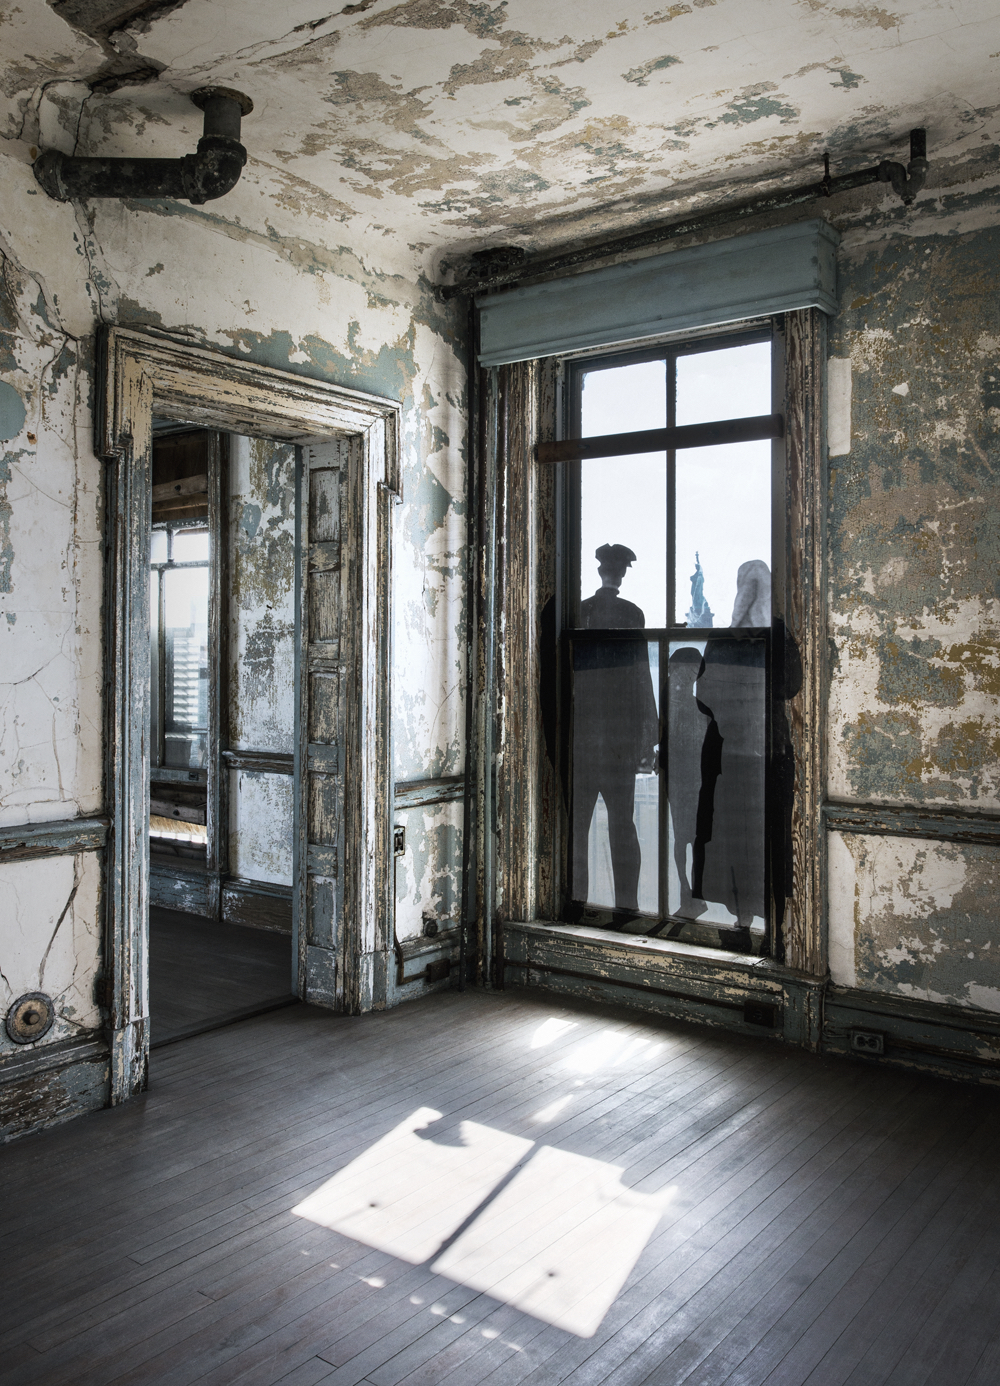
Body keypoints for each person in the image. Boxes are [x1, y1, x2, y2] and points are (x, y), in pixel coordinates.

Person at [571, 543, 659, 923]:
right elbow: (641, 678)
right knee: (623, 826)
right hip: (620, 743)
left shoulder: (581, 612)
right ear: (621, 574)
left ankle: (576, 904)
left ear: (599, 570)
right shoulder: (632, 614)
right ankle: (628, 906)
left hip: (583, 740)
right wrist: (647, 738)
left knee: (578, 829)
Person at [695, 560, 770, 952]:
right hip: (758, 755)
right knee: (756, 836)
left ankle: (743, 917)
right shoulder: (778, 638)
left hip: (729, 755)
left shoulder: (725, 638)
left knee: (731, 835)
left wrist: (729, 719)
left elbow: (703, 695)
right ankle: (753, 917)